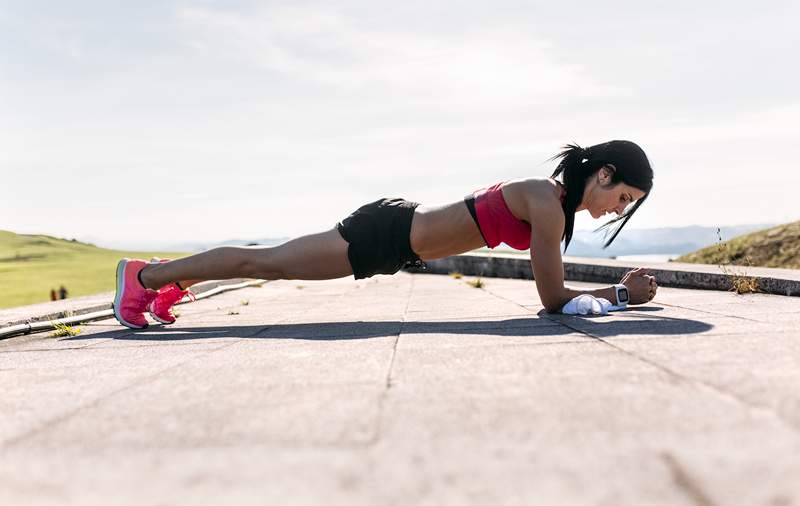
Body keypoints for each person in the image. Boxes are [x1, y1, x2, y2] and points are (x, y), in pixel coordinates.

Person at [113, 140, 658, 329]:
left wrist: (612, 297)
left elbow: (555, 295)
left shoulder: (550, 205)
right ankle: (147, 275)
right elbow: (554, 300)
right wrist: (621, 297)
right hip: (386, 233)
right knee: (267, 263)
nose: (615, 211)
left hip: (396, 238)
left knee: (269, 261)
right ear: (604, 175)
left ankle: (162, 278)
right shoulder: (546, 201)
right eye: (623, 199)